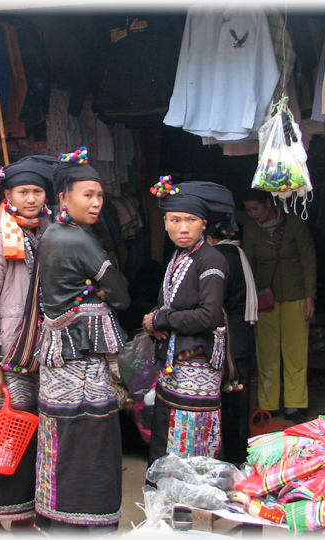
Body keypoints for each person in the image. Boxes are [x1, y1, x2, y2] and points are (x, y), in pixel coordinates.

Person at [33, 148, 130, 536]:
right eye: (87, 194)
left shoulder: (51, 234)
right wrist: (101, 291)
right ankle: (85, 522)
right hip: (83, 362)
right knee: (91, 436)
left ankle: (55, 516)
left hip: (59, 361)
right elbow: (121, 294)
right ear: (63, 198)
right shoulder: (78, 240)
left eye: (100, 195)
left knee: (61, 433)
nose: (96, 202)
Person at [0, 155, 57, 533]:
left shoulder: (50, 232)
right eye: (24, 191)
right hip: (6, 357)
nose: (32, 198)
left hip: (44, 355)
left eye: (38, 191)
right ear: (8, 194)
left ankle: (21, 520)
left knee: (33, 437)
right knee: (1, 437)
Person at [142, 180, 236, 467]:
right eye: (175, 220)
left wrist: (161, 318)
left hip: (197, 366)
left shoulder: (212, 260)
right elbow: (174, 301)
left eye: (191, 220)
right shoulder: (181, 255)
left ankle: (189, 507)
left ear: (203, 224)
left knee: (190, 439)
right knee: (166, 435)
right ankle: (164, 502)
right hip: (175, 366)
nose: (183, 228)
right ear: (165, 223)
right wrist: (156, 316)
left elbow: (209, 315)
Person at [242, 190, 316, 425]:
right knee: (266, 352)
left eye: (256, 209)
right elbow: (248, 265)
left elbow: (309, 260)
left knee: (295, 352)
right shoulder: (251, 229)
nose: (253, 214)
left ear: (268, 203)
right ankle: (269, 404)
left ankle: (294, 404)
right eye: (249, 210)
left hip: (296, 294)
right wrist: (249, 300)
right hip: (265, 299)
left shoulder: (294, 223)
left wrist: (310, 296)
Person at [205, 220, 258, 464]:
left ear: (210, 238)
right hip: (243, 335)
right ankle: (241, 454)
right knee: (241, 401)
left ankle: (232, 457)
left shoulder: (219, 258)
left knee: (229, 403)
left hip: (230, 340)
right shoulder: (239, 254)